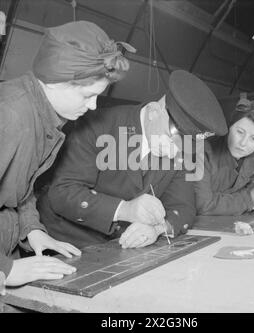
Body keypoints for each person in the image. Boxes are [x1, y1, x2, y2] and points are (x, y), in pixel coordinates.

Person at [0, 20, 135, 287]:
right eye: (87, 95)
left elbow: (18, 189)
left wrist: (33, 230)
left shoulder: (44, 116)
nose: (93, 106)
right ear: (56, 81)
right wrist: (6, 270)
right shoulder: (11, 116)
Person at [37, 70, 228, 249]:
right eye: (173, 137)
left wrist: (157, 229)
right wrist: (124, 209)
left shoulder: (180, 149)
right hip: (64, 241)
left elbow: (183, 206)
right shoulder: (98, 125)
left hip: (118, 244)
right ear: (155, 111)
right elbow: (63, 192)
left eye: (186, 144)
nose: (174, 151)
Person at [195, 99, 254, 216]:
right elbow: (202, 205)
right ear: (229, 126)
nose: (243, 143)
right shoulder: (200, 151)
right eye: (240, 132)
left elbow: (253, 191)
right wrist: (249, 199)